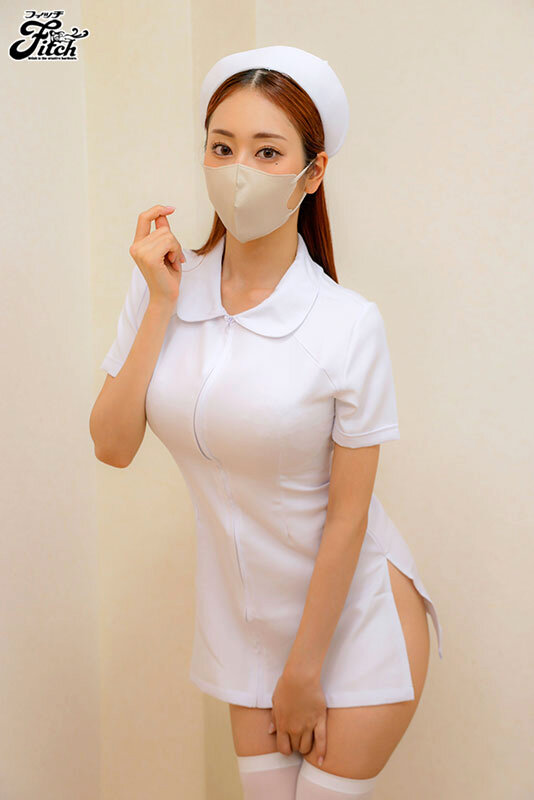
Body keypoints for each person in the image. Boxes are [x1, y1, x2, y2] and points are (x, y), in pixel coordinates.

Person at [91, 44, 444, 800]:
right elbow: (111, 445)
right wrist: (160, 304)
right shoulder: (161, 286)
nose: (239, 169)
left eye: (267, 150)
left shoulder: (347, 324)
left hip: (353, 621)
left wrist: (304, 672)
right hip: (245, 625)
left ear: (313, 173)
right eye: (222, 147)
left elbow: (348, 517)